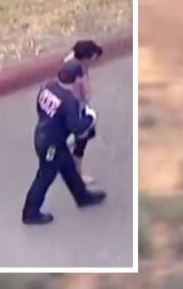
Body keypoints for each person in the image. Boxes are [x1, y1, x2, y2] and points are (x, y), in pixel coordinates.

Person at [21, 57, 107, 225]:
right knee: (45, 176)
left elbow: (40, 108)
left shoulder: (48, 87)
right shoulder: (70, 101)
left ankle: (82, 197)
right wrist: (90, 117)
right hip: (51, 145)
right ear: (76, 79)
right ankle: (30, 212)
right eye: (81, 78)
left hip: (45, 135)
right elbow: (77, 127)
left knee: (68, 168)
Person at [65, 39, 104, 185]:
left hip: (72, 108)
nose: (95, 58)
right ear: (86, 57)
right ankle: (77, 175)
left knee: (86, 134)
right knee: (82, 141)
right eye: (93, 56)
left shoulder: (70, 61)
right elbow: (86, 94)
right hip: (76, 110)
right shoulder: (78, 73)